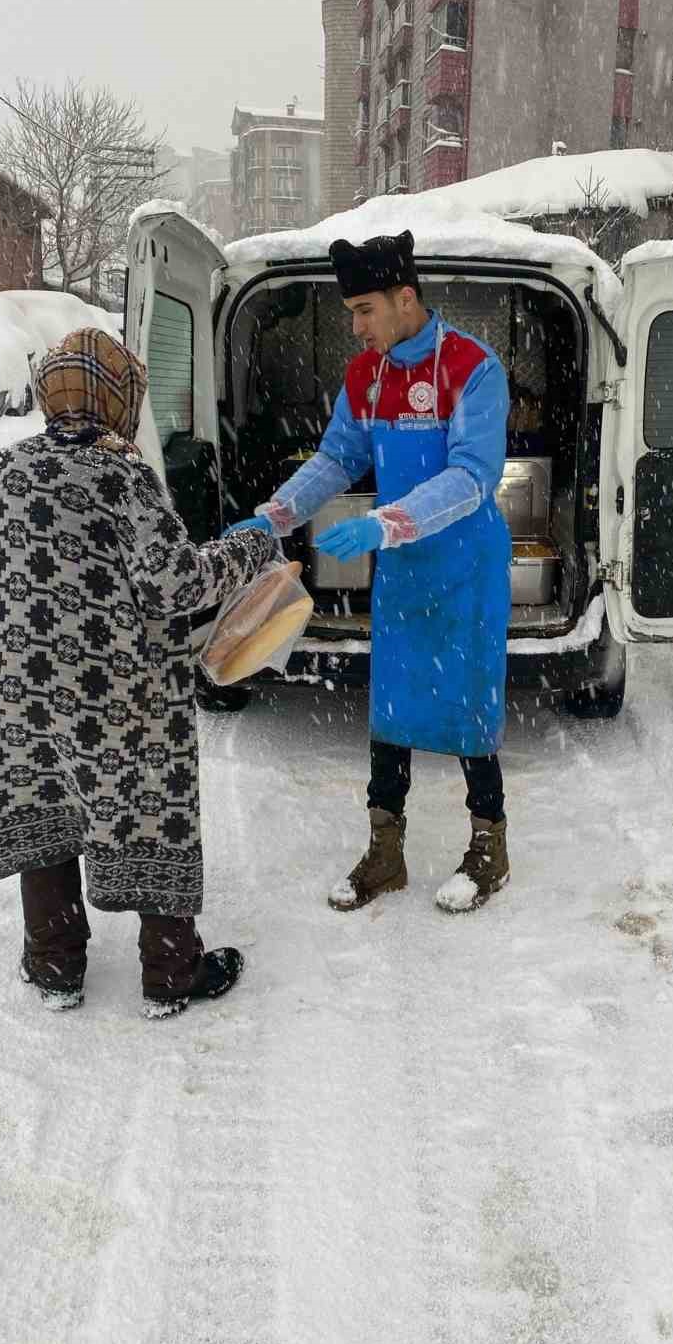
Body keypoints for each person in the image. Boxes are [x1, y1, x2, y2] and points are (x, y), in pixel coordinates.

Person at [0, 328, 273, 1016]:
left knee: (44, 801)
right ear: (118, 398)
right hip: (114, 686)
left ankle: (54, 964)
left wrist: (27, 575)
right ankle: (171, 972)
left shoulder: (7, 465)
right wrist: (248, 549)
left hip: (16, 683)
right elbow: (176, 586)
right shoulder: (121, 475)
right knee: (145, 807)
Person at [227, 230, 512, 915]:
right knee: (391, 709)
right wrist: (277, 515)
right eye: (350, 313)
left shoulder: (473, 368)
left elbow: (473, 478)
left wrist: (387, 523)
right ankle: (386, 852)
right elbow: (336, 460)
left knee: (469, 708)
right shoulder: (367, 376)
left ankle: (489, 847)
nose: (354, 327)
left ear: (404, 297)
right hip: (406, 571)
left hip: (467, 565)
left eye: (363, 311)